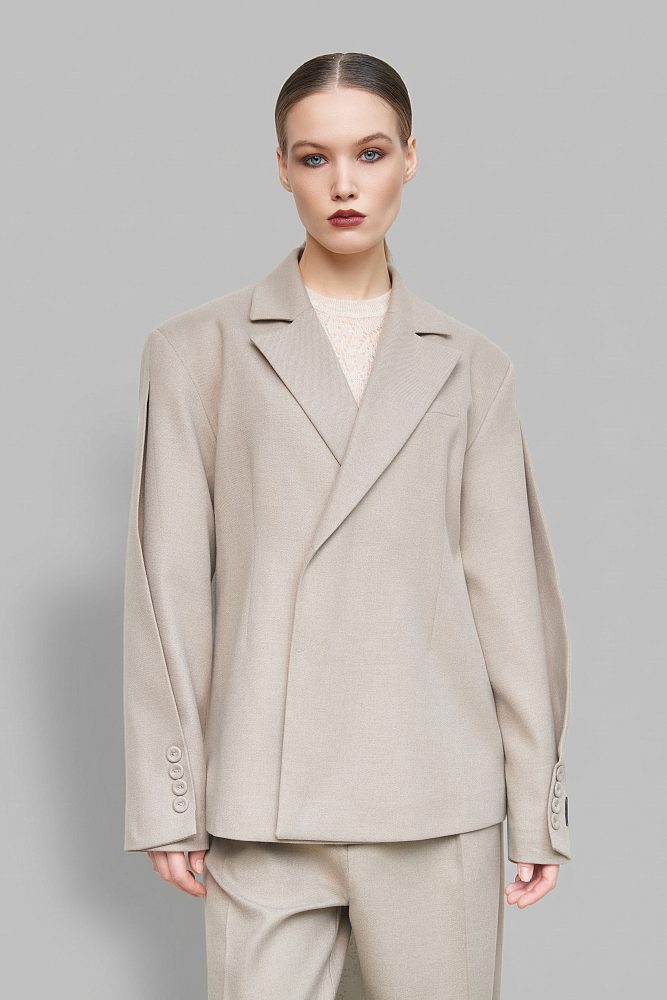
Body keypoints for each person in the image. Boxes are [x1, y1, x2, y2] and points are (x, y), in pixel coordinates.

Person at [122, 51, 572, 1000]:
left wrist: (534, 804)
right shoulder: (196, 350)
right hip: (263, 796)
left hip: (431, 789)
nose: (343, 184)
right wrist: (170, 798)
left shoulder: (471, 366)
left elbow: (507, 595)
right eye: (314, 157)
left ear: (410, 158)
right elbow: (167, 589)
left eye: (368, 153)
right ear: (281, 168)